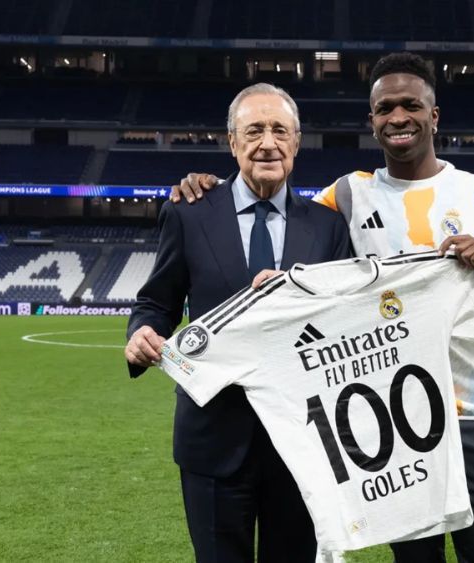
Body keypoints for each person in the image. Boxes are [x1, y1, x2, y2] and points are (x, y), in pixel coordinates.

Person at [171, 53, 474, 563]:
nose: (398, 117)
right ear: (372, 120)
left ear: (433, 116)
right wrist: (212, 189)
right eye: (384, 108)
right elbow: (282, 210)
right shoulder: (347, 197)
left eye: (410, 105)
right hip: (400, 426)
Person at [125, 83, 351, 563]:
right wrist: (141, 333)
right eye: (254, 130)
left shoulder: (329, 227)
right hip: (211, 439)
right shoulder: (189, 212)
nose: (267, 142)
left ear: (296, 142)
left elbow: (343, 325)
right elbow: (157, 302)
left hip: (301, 444)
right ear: (232, 142)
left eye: (279, 131)